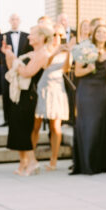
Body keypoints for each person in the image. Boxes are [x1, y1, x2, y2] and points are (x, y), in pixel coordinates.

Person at [4, 25, 51, 176]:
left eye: (32, 34)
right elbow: (11, 68)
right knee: (17, 127)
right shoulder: (32, 53)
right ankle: (23, 162)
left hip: (29, 95)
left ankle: (32, 162)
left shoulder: (43, 54)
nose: (29, 37)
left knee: (24, 129)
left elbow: (27, 72)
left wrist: (15, 62)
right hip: (20, 94)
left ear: (42, 37)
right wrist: (8, 55)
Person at [72, 22, 106, 174]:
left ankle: (101, 163)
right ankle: (87, 164)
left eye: (104, 32)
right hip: (87, 90)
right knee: (89, 125)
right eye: (99, 32)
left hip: (103, 91)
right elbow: (77, 73)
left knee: (101, 126)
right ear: (94, 34)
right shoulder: (86, 48)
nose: (102, 35)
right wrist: (88, 69)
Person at [34, 24, 70, 171]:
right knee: (35, 125)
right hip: (43, 87)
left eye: (61, 35)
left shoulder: (66, 50)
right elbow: (45, 65)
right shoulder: (45, 49)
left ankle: (53, 160)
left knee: (55, 126)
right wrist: (55, 52)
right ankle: (32, 158)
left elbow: (66, 69)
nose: (57, 38)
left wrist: (68, 53)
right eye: (55, 34)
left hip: (57, 88)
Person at [0, 13, 31, 126]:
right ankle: (7, 119)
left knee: (21, 91)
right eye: (12, 19)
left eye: (16, 19)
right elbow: (0, 53)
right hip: (7, 69)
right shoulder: (2, 36)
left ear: (20, 21)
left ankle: (20, 117)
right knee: (6, 93)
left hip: (23, 68)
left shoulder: (27, 36)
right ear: (9, 21)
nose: (14, 21)